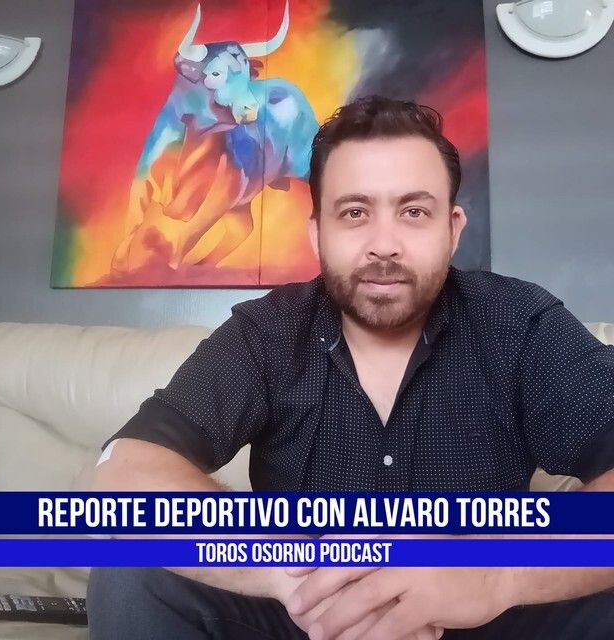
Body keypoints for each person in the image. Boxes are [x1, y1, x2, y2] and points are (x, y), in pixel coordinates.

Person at [87, 95, 614, 640]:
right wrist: (295, 573)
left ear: (453, 229)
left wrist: (494, 576)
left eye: (414, 212)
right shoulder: (267, 331)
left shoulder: (520, 323)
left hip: (480, 615)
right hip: (306, 613)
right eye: (355, 213)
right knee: (133, 569)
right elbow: (127, 468)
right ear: (317, 232)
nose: (384, 246)